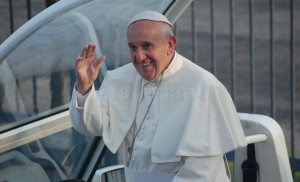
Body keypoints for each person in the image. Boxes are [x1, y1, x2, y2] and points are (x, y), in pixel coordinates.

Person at [70, 11, 247, 182]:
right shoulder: (120, 79)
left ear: (170, 45)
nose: (139, 56)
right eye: (133, 47)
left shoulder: (204, 88)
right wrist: (84, 86)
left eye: (147, 46)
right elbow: (90, 126)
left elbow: (200, 172)